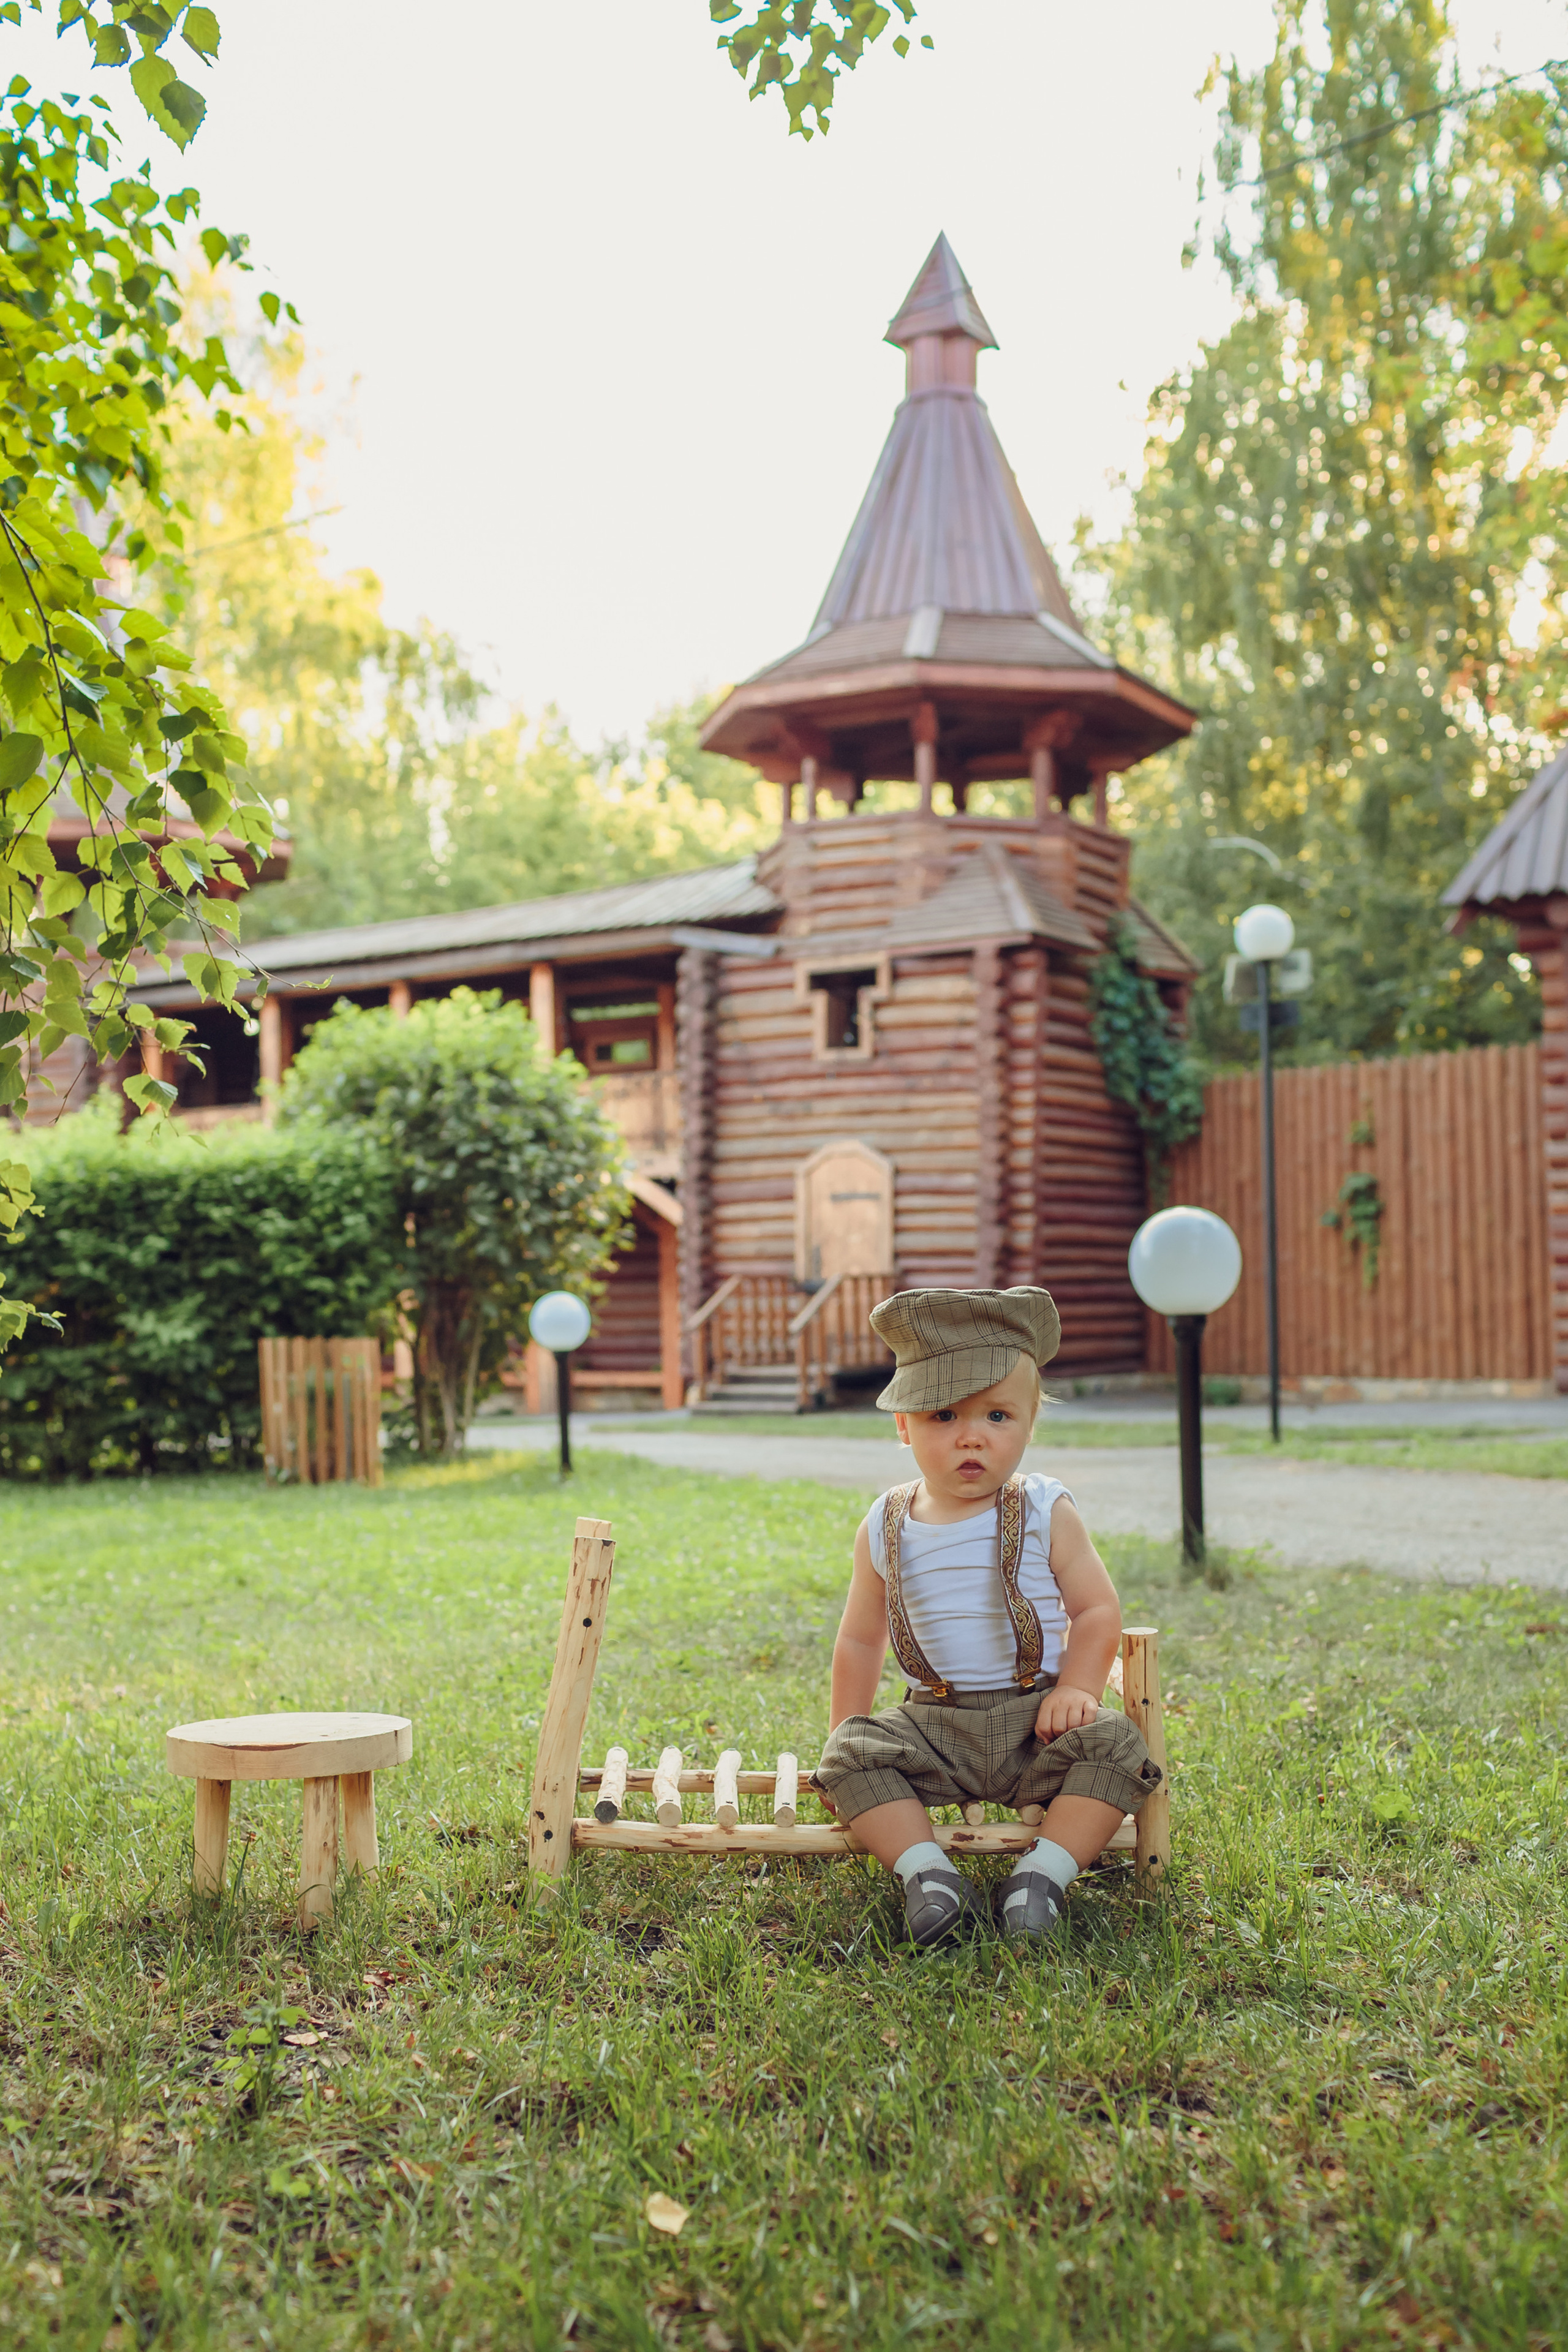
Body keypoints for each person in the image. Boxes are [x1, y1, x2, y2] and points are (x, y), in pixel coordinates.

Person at [814, 1286, 1163, 1947]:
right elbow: (859, 1641)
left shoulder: (1043, 1509)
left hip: (1037, 1721)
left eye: (998, 1416)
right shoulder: (884, 1524)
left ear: (1031, 1423)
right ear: (903, 1426)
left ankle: (1042, 1878)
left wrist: (1077, 1689)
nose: (972, 1436)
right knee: (853, 1755)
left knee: (1117, 1746)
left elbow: (1095, 1609)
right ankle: (929, 1878)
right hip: (932, 1725)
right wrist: (841, 1741)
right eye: (943, 1415)